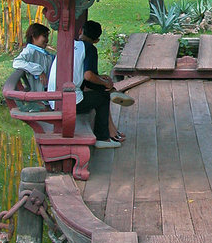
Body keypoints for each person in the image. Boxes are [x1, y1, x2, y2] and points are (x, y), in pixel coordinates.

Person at [47, 21, 133, 149]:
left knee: (101, 89)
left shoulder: (69, 45)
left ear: (80, 30)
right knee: (103, 98)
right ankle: (102, 137)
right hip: (68, 101)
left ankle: (111, 98)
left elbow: (84, 76)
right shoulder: (89, 48)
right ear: (97, 40)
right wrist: (104, 83)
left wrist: (101, 80)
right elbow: (88, 76)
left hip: (53, 98)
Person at [13, 23, 55, 91]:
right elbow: (17, 62)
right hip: (38, 94)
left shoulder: (43, 53)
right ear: (34, 36)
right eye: (45, 36)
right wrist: (39, 70)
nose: (47, 40)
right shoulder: (29, 51)